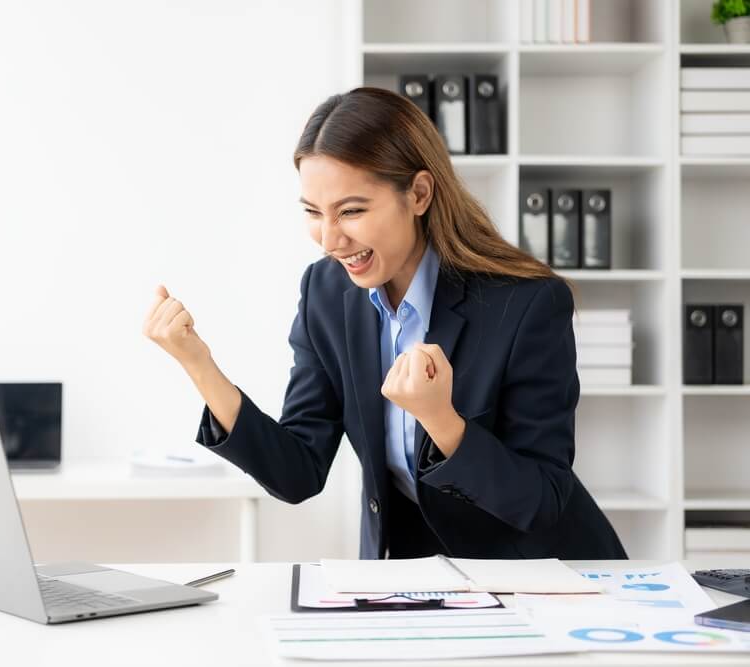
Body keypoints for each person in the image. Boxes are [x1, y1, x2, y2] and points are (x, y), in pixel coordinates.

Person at [142, 87, 627, 560]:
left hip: (545, 574)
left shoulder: (525, 303)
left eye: (351, 211)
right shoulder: (327, 294)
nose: (330, 239)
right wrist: (198, 364)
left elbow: (541, 499)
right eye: (314, 213)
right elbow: (297, 473)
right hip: (418, 577)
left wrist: (442, 421)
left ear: (418, 193)